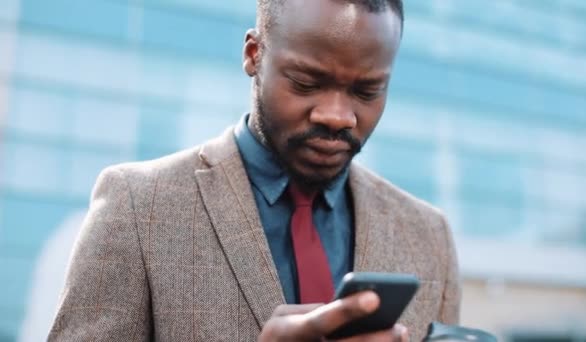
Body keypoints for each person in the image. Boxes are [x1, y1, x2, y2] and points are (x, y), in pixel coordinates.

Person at [49, 0, 461, 341]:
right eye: (306, 82)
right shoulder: (138, 206)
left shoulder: (428, 234)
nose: (337, 116)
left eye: (366, 91)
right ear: (253, 54)